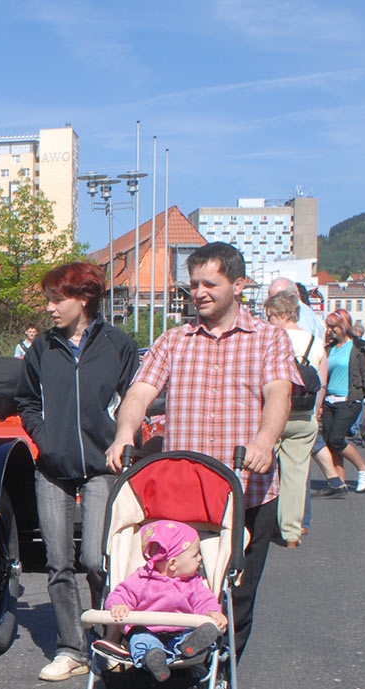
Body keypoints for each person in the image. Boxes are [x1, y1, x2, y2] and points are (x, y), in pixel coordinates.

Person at [105, 242, 299, 662]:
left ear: (239, 284)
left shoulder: (269, 340)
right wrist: (124, 432)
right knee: (170, 594)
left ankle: (220, 684)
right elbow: (139, 393)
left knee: (236, 600)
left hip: (248, 489)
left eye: (210, 283)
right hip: (186, 498)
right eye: (194, 284)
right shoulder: (174, 340)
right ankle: (175, 678)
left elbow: (278, 393)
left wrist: (265, 442)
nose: (199, 292)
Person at [16, 260, 140, 682]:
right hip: (52, 468)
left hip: (103, 467)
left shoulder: (118, 345)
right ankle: (72, 649)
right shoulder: (42, 348)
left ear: (83, 298)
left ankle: (111, 640)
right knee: (57, 562)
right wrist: (44, 438)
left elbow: (135, 399)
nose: (50, 308)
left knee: (96, 559)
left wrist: (123, 439)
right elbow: (26, 401)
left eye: (57, 299)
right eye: (49, 300)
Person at [101, 520, 227, 683]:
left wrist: (211, 612)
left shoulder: (194, 583)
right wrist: (119, 605)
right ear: (173, 564)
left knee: (193, 632)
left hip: (180, 632)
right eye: (195, 555)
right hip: (147, 630)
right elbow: (122, 593)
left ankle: (189, 646)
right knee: (141, 639)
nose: (200, 558)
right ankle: (153, 658)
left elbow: (205, 601)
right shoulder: (142, 580)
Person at [262, 290, 324, 546]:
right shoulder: (315, 342)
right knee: (296, 475)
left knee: (264, 471)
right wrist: (316, 414)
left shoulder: (270, 339)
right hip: (304, 415)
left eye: (271, 316)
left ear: (282, 314)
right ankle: (291, 533)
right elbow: (321, 382)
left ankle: (263, 527)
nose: (268, 321)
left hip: (273, 413)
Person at [312, 309, 365, 496]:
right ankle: (338, 484)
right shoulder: (329, 348)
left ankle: (363, 468)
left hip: (349, 400)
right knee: (331, 444)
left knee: (336, 439)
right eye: (328, 327)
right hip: (330, 400)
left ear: (344, 327)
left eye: (334, 327)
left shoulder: (358, 348)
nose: (330, 330)